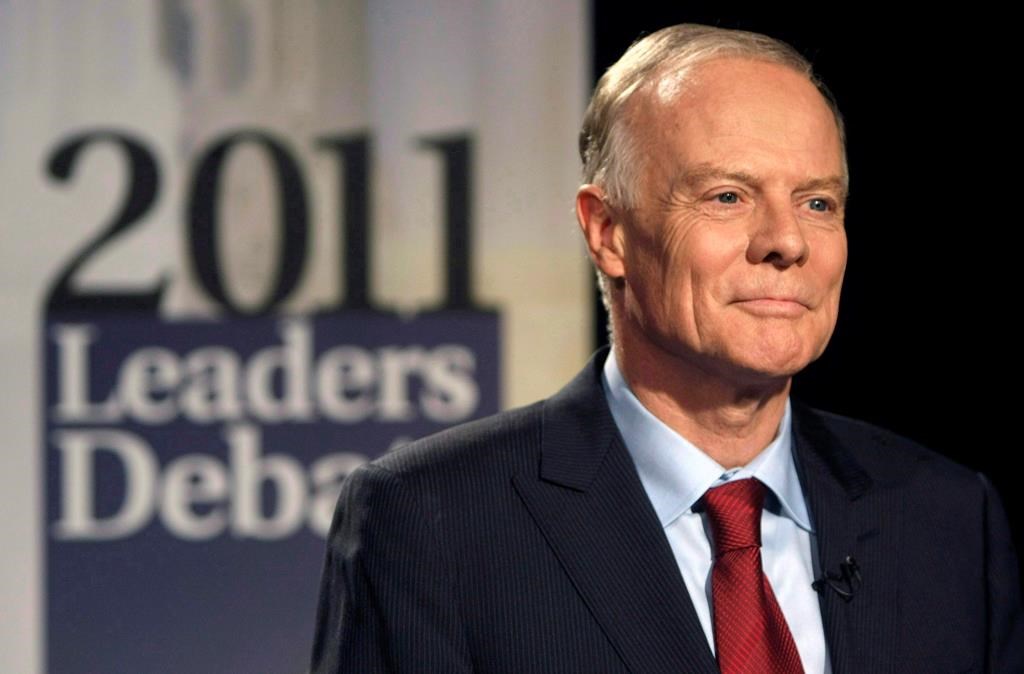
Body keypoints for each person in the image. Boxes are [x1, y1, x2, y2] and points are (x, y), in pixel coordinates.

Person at [310, 23, 1023, 673]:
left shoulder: (947, 519)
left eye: (817, 202)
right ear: (608, 232)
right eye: (727, 196)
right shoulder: (433, 524)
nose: (788, 241)